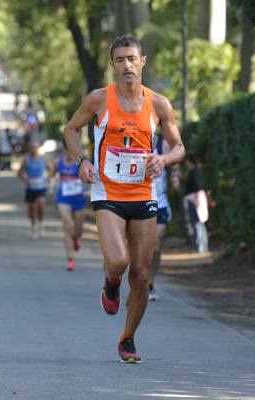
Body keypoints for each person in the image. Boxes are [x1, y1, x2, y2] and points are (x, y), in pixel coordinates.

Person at [63, 35, 185, 364]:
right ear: (113, 65)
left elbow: (179, 147)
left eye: (132, 58)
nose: (127, 65)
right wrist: (82, 161)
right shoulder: (99, 99)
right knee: (118, 261)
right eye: (120, 60)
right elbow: (71, 128)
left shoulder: (159, 104)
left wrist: (165, 160)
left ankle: (128, 338)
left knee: (142, 276)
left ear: (142, 62)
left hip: (144, 194)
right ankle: (111, 282)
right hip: (108, 192)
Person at [148, 134, 181, 301]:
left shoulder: (163, 145)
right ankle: (138, 280)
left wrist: (175, 176)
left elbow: (175, 165)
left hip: (160, 204)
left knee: (156, 248)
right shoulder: (133, 141)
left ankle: (150, 284)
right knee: (138, 249)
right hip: (137, 204)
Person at [49, 145, 88, 271]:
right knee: (68, 226)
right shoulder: (58, 162)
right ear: (64, 151)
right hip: (63, 198)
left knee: (78, 229)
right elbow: (52, 175)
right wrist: (50, 186)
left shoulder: (81, 163)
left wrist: (91, 190)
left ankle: (76, 238)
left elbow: (93, 176)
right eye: (68, 151)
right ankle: (70, 259)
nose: (70, 154)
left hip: (79, 198)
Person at [18, 141, 51, 239]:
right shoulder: (26, 160)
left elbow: (50, 170)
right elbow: (19, 172)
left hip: (41, 186)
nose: (33, 149)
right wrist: (25, 179)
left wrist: (48, 178)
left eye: (35, 147)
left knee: (41, 204)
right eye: (32, 147)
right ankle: (34, 228)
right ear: (29, 149)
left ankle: (41, 225)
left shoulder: (43, 158)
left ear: (37, 148)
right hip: (31, 187)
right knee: (32, 208)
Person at [183, 151, 209, 253]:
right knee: (200, 224)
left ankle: (200, 248)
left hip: (195, 200)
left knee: (196, 224)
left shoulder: (194, 172)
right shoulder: (199, 171)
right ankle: (203, 247)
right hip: (200, 199)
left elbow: (198, 187)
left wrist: (197, 201)